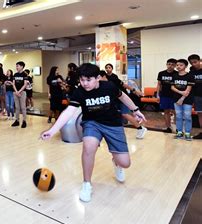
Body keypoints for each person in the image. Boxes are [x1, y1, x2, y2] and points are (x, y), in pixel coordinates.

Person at [40, 63, 146, 203]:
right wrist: (52, 130)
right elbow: (69, 111)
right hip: (92, 123)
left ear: (97, 78)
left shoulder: (109, 87)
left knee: (125, 163)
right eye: (82, 80)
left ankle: (117, 162)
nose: (84, 83)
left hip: (113, 124)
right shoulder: (79, 92)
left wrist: (136, 110)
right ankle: (86, 184)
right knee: (88, 147)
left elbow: (123, 97)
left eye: (88, 80)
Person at [105, 63, 147, 139]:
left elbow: (124, 85)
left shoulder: (114, 77)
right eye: (106, 68)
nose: (108, 69)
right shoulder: (105, 79)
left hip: (122, 98)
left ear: (112, 68)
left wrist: (135, 91)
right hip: (115, 99)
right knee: (117, 114)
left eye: (109, 67)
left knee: (124, 114)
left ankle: (140, 128)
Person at [171, 59, 195, 141]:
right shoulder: (174, 75)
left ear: (185, 66)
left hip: (187, 100)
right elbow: (172, 87)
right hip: (176, 99)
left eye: (181, 65)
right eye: (177, 65)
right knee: (178, 116)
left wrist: (182, 99)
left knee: (187, 116)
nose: (178, 66)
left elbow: (188, 90)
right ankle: (179, 132)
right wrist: (180, 92)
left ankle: (187, 133)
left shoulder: (190, 76)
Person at [156, 58, 178, 133]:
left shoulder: (177, 74)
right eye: (169, 64)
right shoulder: (161, 73)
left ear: (175, 66)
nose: (170, 66)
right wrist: (157, 95)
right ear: (166, 64)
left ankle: (177, 128)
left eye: (172, 64)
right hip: (164, 95)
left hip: (174, 96)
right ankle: (168, 127)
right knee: (166, 111)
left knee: (176, 112)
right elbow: (159, 84)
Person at [12, 61, 30, 128]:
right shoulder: (15, 74)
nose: (16, 67)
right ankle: (17, 121)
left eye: (18, 66)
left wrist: (19, 92)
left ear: (22, 67)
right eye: (16, 66)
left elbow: (25, 84)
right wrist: (16, 91)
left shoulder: (24, 74)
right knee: (17, 107)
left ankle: (24, 121)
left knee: (23, 107)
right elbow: (13, 84)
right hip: (15, 92)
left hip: (22, 92)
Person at [188, 54, 202, 139]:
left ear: (200, 61)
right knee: (200, 114)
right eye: (191, 63)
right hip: (197, 96)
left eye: (195, 62)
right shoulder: (191, 72)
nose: (194, 64)